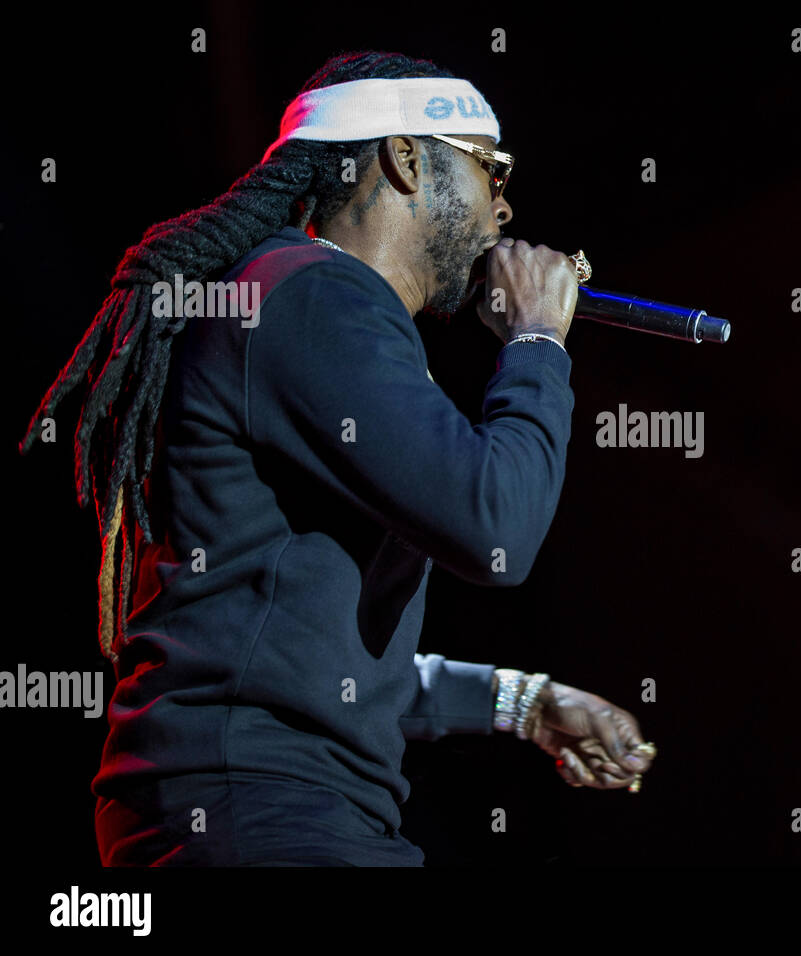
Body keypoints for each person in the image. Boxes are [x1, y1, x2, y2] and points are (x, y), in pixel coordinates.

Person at [18, 51, 655, 866]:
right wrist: (535, 341)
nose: (505, 206)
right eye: (490, 169)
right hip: (260, 812)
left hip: (254, 809)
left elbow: (323, 659)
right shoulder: (315, 294)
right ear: (406, 157)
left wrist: (525, 703)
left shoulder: (303, 307)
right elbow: (497, 524)